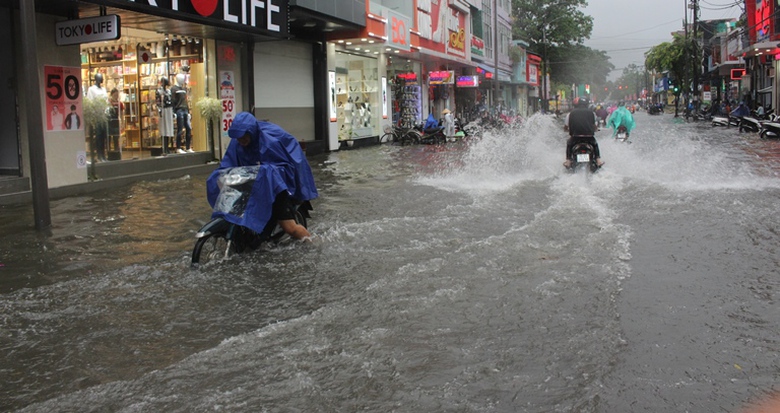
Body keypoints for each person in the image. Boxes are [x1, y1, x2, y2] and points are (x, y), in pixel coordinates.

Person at [206, 112, 318, 241]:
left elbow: (283, 169)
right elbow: (227, 164)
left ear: (251, 133)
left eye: (244, 138)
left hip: (276, 187)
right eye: (239, 138)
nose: (241, 141)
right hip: (252, 184)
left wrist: (263, 172)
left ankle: (313, 242)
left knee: (289, 227)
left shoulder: (270, 143)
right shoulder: (236, 143)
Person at [563, 97, 602, 168]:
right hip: (589, 137)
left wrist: (567, 130)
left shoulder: (570, 113)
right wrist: (595, 129)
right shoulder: (592, 113)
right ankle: (598, 160)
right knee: (595, 144)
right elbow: (594, 125)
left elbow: (566, 126)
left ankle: (568, 161)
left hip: (575, 137)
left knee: (569, 144)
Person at [87, 73, 109, 161]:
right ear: (96, 79)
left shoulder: (103, 89)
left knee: (104, 136)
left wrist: (107, 111)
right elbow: (90, 101)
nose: (101, 80)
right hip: (97, 116)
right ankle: (99, 155)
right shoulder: (91, 89)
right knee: (98, 136)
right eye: (100, 78)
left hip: (104, 115)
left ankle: (104, 154)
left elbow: (106, 101)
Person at [171, 73, 193, 153]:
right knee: (180, 129)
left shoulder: (184, 89)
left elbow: (185, 100)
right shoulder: (173, 89)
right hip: (179, 110)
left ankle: (188, 147)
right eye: (181, 79)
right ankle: (178, 147)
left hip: (185, 110)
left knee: (188, 128)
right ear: (177, 79)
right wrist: (174, 112)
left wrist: (188, 111)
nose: (183, 81)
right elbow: (173, 101)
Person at [156, 77, 174, 154]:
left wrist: (172, 112)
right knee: (164, 129)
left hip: (169, 110)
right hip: (163, 110)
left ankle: (167, 147)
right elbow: (158, 102)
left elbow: (171, 101)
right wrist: (159, 110)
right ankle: (164, 147)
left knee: (169, 129)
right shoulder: (159, 91)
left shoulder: (169, 91)